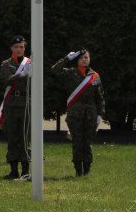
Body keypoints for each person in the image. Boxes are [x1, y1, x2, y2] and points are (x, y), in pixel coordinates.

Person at [52, 48, 103, 177]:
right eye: (81, 58)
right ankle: (78, 170)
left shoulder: (95, 76)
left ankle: (87, 169)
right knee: (77, 142)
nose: (85, 60)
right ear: (77, 60)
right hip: (76, 114)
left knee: (87, 143)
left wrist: (100, 114)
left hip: (91, 114)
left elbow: (99, 97)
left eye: (87, 57)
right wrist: (67, 59)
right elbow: (55, 70)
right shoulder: (71, 74)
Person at [0, 35, 31, 179]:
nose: (19, 49)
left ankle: (25, 169)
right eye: (16, 47)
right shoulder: (6, 64)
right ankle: (13, 170)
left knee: (25, 137)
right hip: (12, 103)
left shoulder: (30, 63)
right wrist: (22, 75)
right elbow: (6, 80)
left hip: (26, 103)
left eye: (22, 47)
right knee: (12, 136)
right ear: (12, 48)